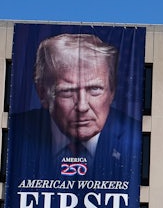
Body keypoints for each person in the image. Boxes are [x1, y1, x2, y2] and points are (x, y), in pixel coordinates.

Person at [9, 33, 139, 179]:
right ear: (42, 94)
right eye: (67, 91)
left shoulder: (136, 137)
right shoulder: (14, 133)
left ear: (112, 91)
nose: (82, 107)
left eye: (94, 89)